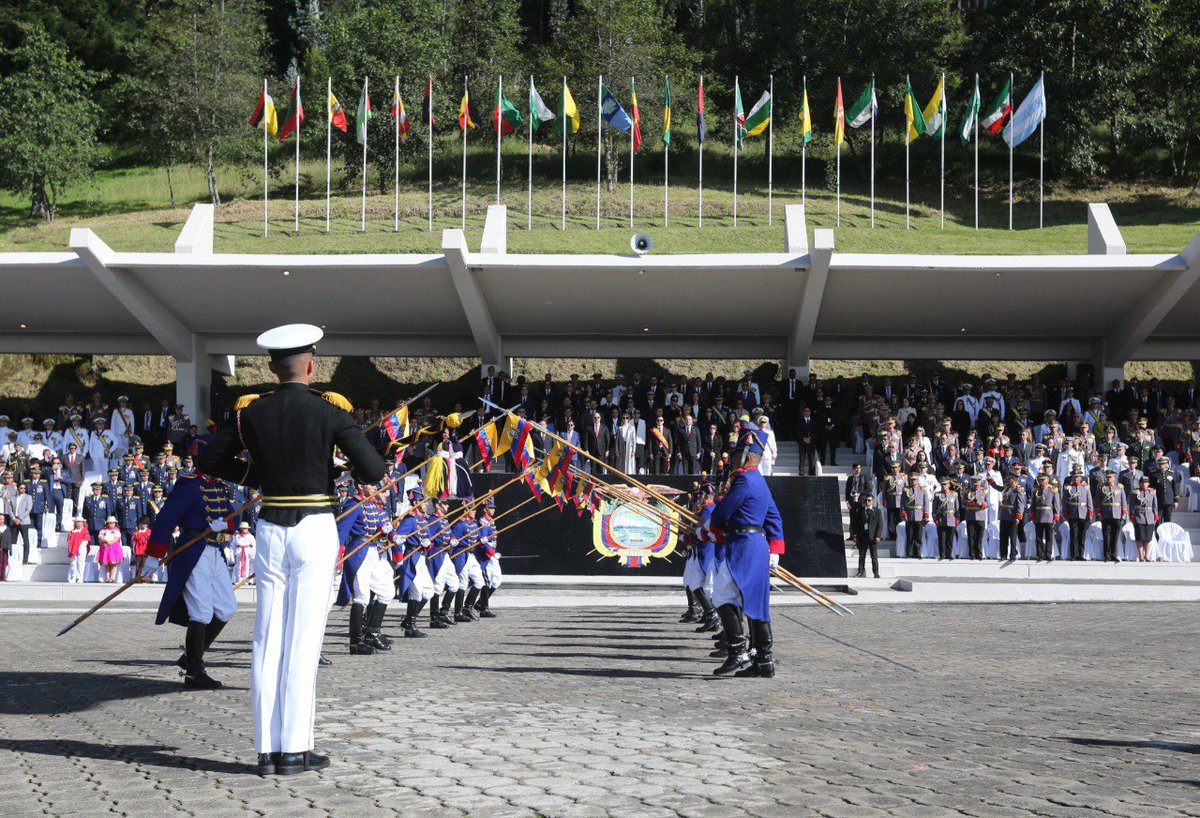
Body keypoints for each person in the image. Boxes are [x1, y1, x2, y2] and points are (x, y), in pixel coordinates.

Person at [194, 324, 385, 777]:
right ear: (311, 364)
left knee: (267, 637)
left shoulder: (250, 412)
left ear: (270, 367)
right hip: (316, 526)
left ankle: (266, 751)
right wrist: (337, 467)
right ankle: (295, 749)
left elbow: (208, 461)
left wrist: (258, 481)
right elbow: (373, 468)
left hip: (270, 526)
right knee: (303, 638)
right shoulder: (330, 412)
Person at [145, 453, 238, 691]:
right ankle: (195, 671)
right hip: (193, 551)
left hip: (215, 550)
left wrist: (225, 524)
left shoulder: (218, 486)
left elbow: (231, 517)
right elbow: (166, 519)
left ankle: (190, 656)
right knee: (202, 611)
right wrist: (153, 555)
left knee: (227, 607)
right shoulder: (188, 485)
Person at [708, 428, 784, 678]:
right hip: (758, 546)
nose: (735, 456)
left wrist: (715, 529)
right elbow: (773, 516)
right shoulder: (760, 482)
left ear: (748, 455)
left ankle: (738, 650)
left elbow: (722, 513)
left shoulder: (743, 479)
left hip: (742, 545)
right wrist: (775, 550)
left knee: (720, 595)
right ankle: (764, 661)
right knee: (756, 604)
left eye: (739, 451)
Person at [336, 482, 395, 655]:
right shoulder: (354, 505)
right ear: (361, 486)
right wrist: (338, 555)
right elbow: (342, 530)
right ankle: (355, 642)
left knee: (386, 591)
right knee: (361, 595)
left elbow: (376, 529)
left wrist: (384, 532)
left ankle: (372, 631)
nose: (376, 488)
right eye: (371, 485)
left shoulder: (370, 504)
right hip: (358, 550)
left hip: (373, 550)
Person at [1097, 470, 1129, 563]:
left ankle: (1113, 555)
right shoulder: (1102, 487)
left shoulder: (1119, 487)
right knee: (1106, 536)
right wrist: (1099, 513)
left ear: (1114, 478)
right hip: (1105, 515)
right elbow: (1098, 501)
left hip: (1117, 514)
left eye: (1110, 477)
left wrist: (1124, 513)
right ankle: (1106, 555)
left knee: (1115, 536)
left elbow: (1123, 501)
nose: (1109, 478)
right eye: (1107, 477)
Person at [1062, 468, 1093, 561]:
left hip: (1083, 514)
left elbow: (1089, 501)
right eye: (1074, 477)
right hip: (1072, 513)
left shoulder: (1085, 488)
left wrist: (1090, 513)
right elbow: (1064, 502)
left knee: (1082, 536)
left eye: (1078, 477)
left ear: (1081, 478)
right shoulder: (1068, 488)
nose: (1076, 478)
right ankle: (1073, 555)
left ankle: (1081, 555)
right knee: (1073, 535)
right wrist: (1065, 513)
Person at [1031, 475, 1061, 562]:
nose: (1041, 481)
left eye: (1043, 479)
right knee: (1039, 537)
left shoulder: (1052, 489)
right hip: (1038, 515)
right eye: (1040, 480)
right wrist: (1032, 515)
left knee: (1049, 537)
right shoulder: (1036, 489)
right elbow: (1033, 503)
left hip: (1049, 515)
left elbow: (1056, 504)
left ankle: (1048, 554)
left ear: (1048, 480)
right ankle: (1040, 555)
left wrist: (1056, 516)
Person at [854, 494, 883, 579]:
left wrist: (878, 536)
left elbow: (880, 525)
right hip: (863, 536)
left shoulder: (877, 511)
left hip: (873, 537)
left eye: (869, 500)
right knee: (861, 555)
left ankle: (876, 573)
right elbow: (856, 524)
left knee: (874, 556)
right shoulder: (860, 510)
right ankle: (860, 571)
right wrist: (855, 535)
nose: (867, 502)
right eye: (866, 500)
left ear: (873, 501)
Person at [1131, 475, 1159, 562]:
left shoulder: (1152, 492)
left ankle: (1147, 556)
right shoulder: (1136, 493)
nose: (1144, 484)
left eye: (1146, 482)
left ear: (1148, 483)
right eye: (1142, 482)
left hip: (1149, 517)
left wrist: (1156, 515)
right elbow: (1132, 505)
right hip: (1139, 516)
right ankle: (1141, 556)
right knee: (1139, 538)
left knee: (1148, 538)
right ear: (1140, 483)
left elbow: (1155, 505)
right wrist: (1132, 515)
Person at [932, 477, 959, 560]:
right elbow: (934, 508)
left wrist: (957, 518)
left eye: (945, 484)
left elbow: (956, 507)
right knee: (942, 538)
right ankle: (942, 554)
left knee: (950, 538)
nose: (944, 486)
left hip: (951, 517)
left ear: (949, 485)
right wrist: (935, 518)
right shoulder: (937, 495)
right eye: (942, 484)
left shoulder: (954, 494)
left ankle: (949, 554)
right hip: (941, 518)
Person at [97, 516, 123, 582]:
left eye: (113, 523)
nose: (111, 525)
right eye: (110, 523)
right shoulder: (103, 530)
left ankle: (112, 578)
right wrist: (106, 540)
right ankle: (107, 578)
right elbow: (100, 537)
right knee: (107, 564)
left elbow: (117, 538)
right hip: (106, 548)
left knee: (113, 563)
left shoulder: (116, 530)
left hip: (113, 548)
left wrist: (110, 542)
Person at [66, 516, 91, 583]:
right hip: (73, 550)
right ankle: (73, 577)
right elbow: (69, 540)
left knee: (80, 564)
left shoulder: (85, 531)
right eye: (77, 522)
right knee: (73, 564)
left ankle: (80, 577)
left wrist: (79, 549)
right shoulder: (72, 531)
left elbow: (86, 541)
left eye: (80, 522)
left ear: (83, 523)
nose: (79, 523)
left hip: (81, 550)